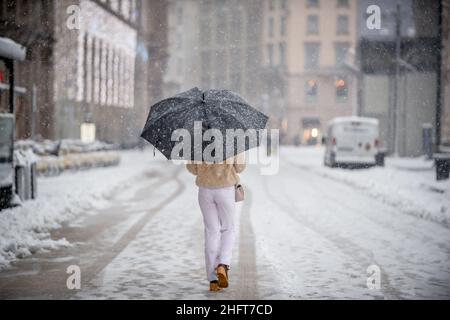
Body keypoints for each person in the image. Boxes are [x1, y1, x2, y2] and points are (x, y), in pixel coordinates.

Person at [186, 153, 246, 292]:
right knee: (228, 229)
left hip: (205, 190)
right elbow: (240, 167)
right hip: (225, 188)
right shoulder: (232, 136)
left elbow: (192, 168)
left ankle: (213, 280)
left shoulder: (197, 139)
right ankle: (223, 265)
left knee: (211, 231)